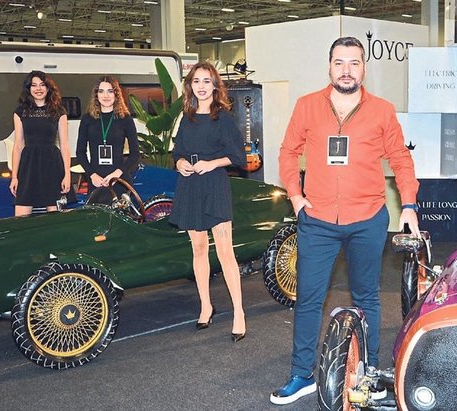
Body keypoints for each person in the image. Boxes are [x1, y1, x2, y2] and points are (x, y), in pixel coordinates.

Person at [271, 36, 420, 405]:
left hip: (367, 219)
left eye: (354, 62)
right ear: (329, 66)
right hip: (317, 220)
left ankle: (369, 371)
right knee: (309, 299)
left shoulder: (382, 110)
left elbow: (401, 159)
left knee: (367, 297)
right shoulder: (307, 106)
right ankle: (301, 374)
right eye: (339, 62)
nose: (346, 70)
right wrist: (296, 196)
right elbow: (288, 152)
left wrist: (409, 205)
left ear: (364, 68)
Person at [168, 62, 247, 343]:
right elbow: (177, 151)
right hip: (190, 185)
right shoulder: (186, 117)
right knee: (199, 248)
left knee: (225, 252)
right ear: (190, 86)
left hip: (214, 185)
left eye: (206, 81)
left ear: (215, 85)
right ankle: (206, 306)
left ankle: (239, 313)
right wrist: (180, 163)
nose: (201, 86)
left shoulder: (222, 117)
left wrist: (211, 163)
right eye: (196, 81)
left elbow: (238, 156)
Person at [10, 70, 71, 216]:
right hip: (28, 166)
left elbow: (64, 145)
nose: (38, 88)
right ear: (29, 88)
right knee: (21, 218)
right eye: (34, 85)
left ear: (48, 87)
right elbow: (18, 146)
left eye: (42, 85)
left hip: (52, 165)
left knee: (55, 218)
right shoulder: (20, 112)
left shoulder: (59, 111)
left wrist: (67, 174)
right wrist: (14, 176)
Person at [76, 76, 139, 202]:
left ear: (116, 94)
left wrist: (117, 174)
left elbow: (135, 153)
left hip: (119, 180)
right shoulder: (87, 119)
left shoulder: (125, 119)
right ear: (96, 95)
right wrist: (92, 175)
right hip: (96, 181)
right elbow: (80, 152)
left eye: (110, 91)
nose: (106, 95)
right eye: (101, 91)